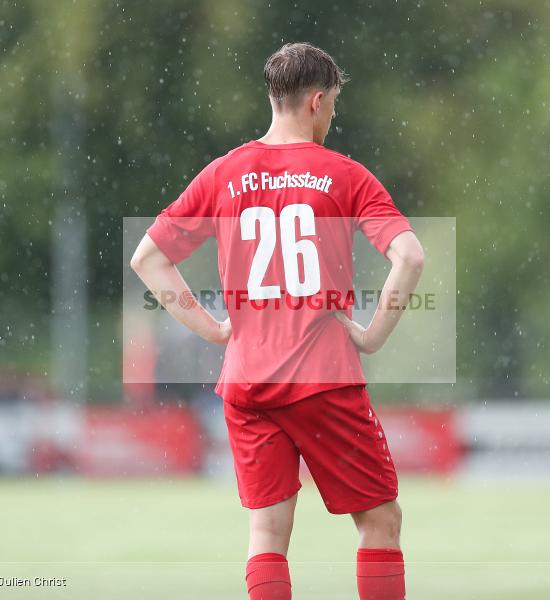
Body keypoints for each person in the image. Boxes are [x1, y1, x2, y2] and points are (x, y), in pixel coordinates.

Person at [131, 42, 424, 600]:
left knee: (267, 534)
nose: (332, 116)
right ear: (316, 101)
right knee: (380, 522)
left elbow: (147, 257)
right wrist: (372, 337)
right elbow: (409, 256)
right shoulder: (345, 176)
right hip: (323, 379)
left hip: (248, 382)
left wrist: (214, 328)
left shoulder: (223, 174)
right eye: (333, 104)